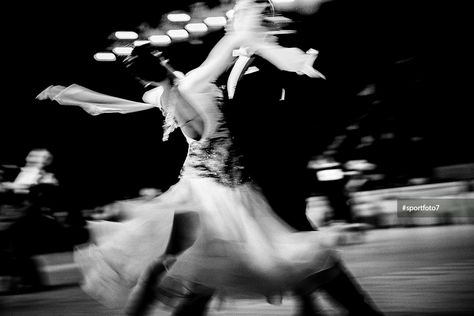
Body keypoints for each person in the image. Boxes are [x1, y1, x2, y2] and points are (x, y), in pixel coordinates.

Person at [37, 1, 383, 315]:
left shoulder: (235, 69)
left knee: (202, 271)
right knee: (202, 271)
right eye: (254, 12)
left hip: (253, 185)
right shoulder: (200, 82)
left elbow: (284, 110)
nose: (266, 18)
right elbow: (198, 119)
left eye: (265, 12)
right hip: (226, 188)